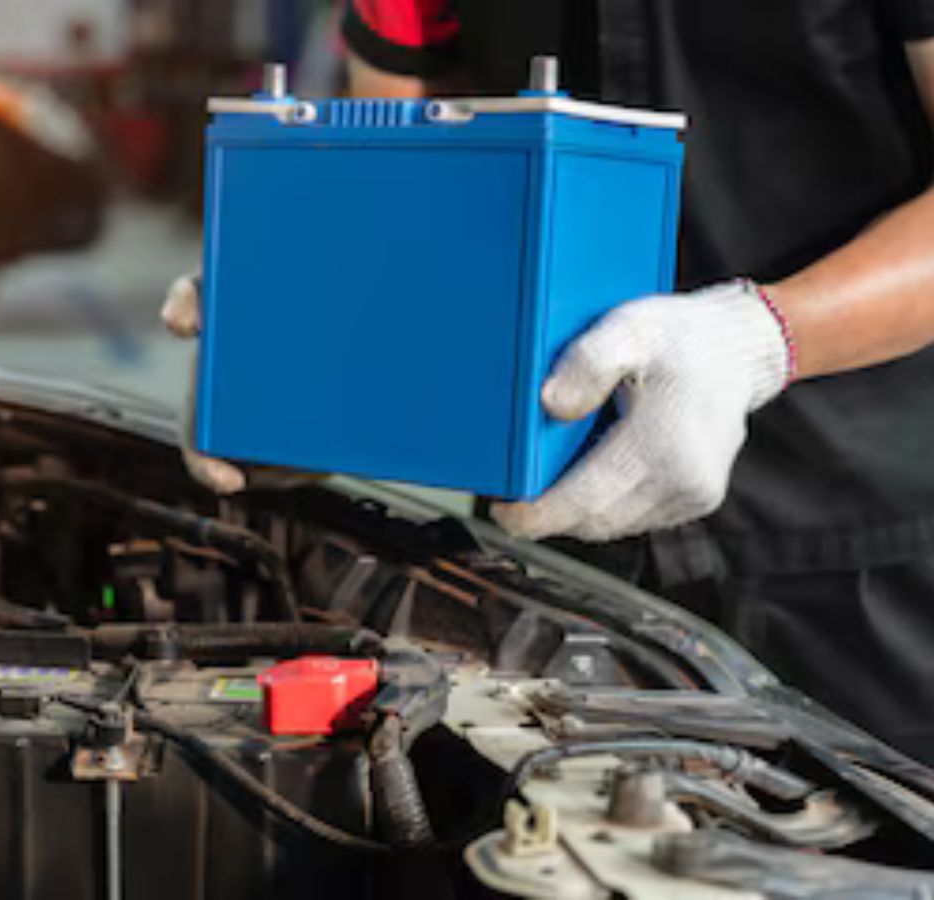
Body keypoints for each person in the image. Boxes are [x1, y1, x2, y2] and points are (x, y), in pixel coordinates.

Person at [164, 0, 934, 764]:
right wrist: (306, 329)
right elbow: (395, 176)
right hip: (550, 538)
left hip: (860, 551)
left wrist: (759, 338)